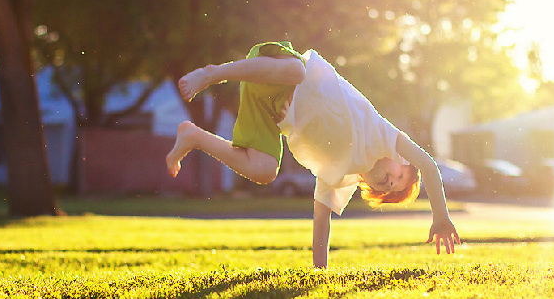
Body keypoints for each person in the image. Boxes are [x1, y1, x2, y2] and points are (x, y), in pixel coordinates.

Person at [166, 41, 460, 268]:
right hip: (275, 68)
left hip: (267, 109)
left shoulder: (340, 176)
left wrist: (320, 273)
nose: (391, 182)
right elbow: (428, 164)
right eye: (399, 175)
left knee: (265, 170)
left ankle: (194, 137)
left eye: (391, 188)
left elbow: (321, 223)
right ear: (399, 158)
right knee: (298, 70)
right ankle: (213, 73)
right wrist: (440, 217)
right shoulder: (382, 135)